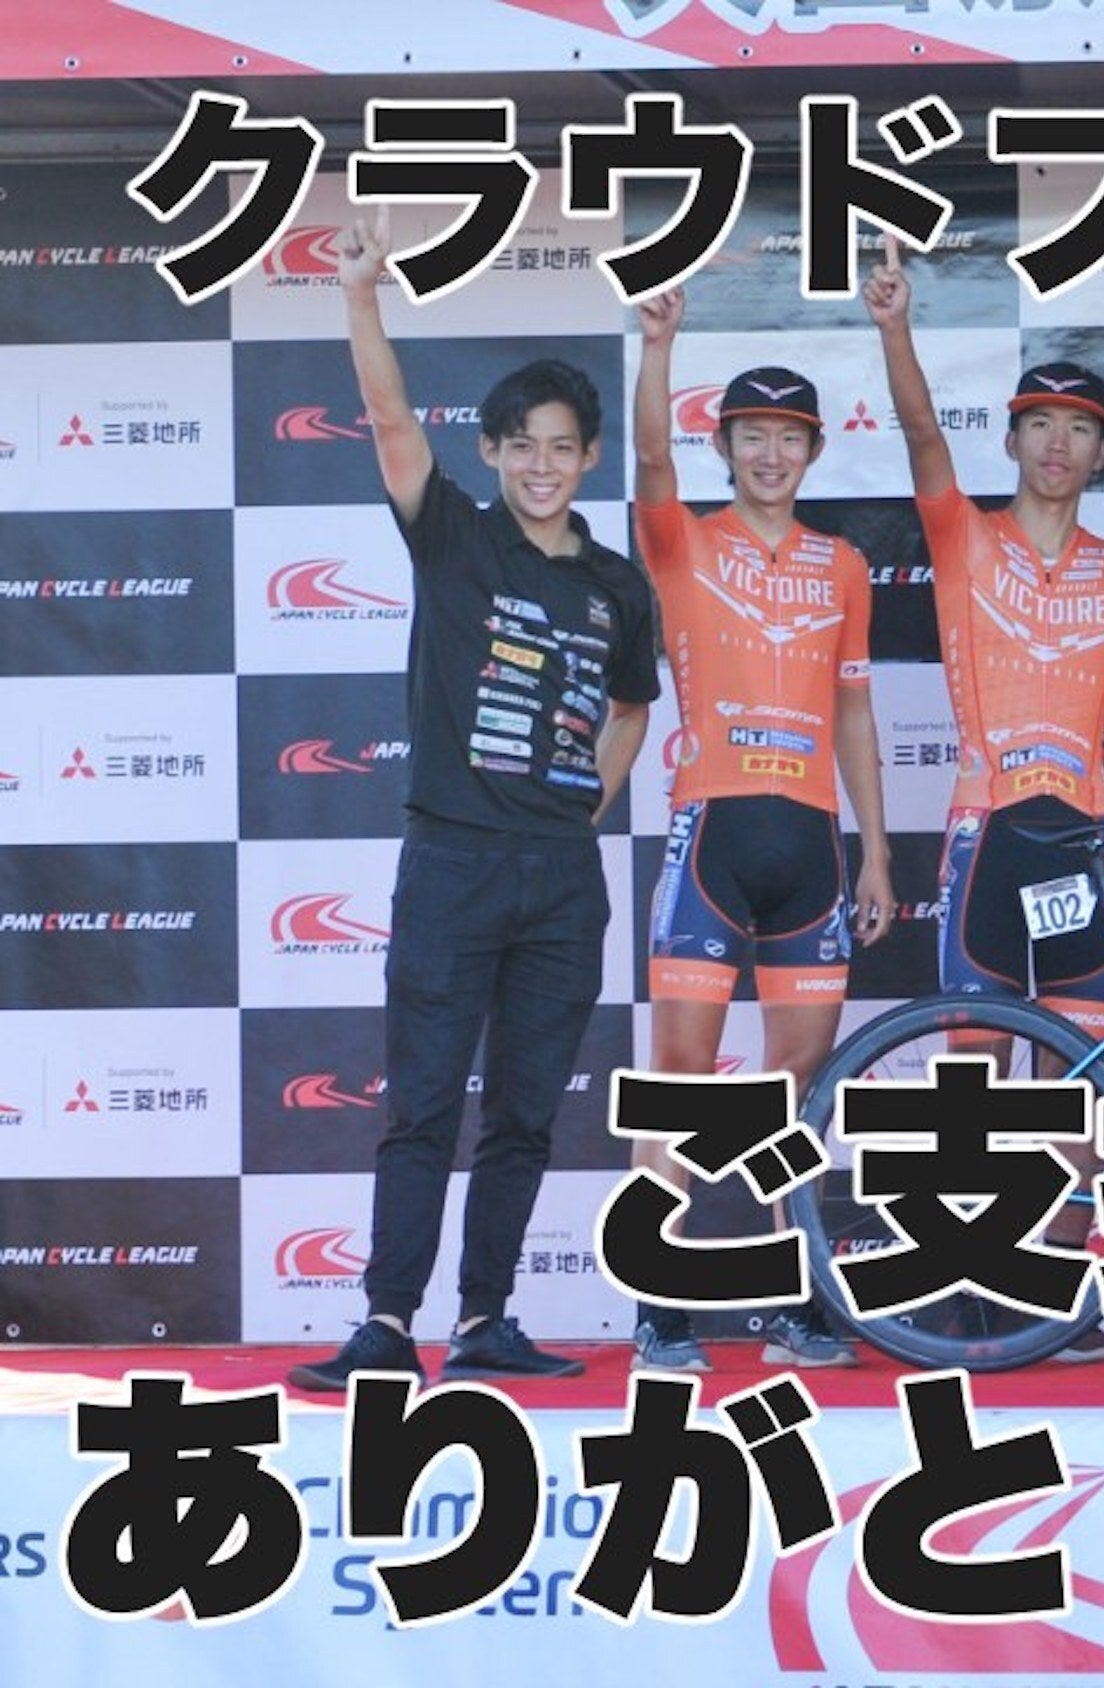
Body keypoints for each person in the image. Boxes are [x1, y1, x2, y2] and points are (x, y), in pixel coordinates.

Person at [289, 211, 659, 1390]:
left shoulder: (619, 586)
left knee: (527, 1112)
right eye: (522, 444)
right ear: (493, 452)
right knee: (423, 1104)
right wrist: (361, 296)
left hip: (561, 881)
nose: (543, 464)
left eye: (563, 446)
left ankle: (486, 1316)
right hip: (451, 863)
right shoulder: (453, 536)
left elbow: (633, 708)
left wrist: (582, 811)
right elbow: (392, 418)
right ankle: (386, 1321)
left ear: (588, 458)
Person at [866, 235, 1104, 1364]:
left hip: (1082, 836)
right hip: (986, 829)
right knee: (975, 1070)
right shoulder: (964, 536)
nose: (1056, 443)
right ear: (1013, 437)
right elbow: (920, 435)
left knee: (1078, 1075)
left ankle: (1056, 1286)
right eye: (1038, 423)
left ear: (1100, 450)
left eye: (1077, 428)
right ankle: (965, 1279)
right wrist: (895, 328)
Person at [622, 286, 891, 1373]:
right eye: (751, 436)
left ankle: (792, 1302)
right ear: (723, 446)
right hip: (712, 836)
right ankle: (661, 1305)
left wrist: (879, 849)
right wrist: (660, 346)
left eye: (788, 437)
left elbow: (856, 710)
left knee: (794, 1087)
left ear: (813, 450)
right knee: (681, 1075)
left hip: (813, 844)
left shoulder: (844, 565)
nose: (770, 455)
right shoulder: (683, 543)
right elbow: (648, 462)